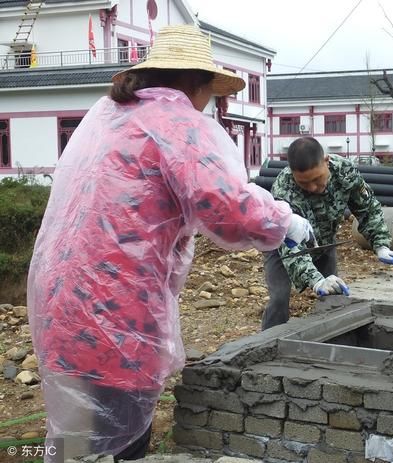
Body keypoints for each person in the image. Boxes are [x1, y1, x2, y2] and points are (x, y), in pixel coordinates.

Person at [27, 25, 314, 462]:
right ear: (196, 84)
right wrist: (284, 220)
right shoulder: (177, 124)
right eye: (211, 93)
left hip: (61, 298)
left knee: (79, 433)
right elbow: (227, 207)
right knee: (120, 436)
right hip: (117, 308)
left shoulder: (109, 114)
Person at [262, 137, 393, 330]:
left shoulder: (345, 172)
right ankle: (268, 341)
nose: (312, 187)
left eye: (317, 179)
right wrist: (316, 281)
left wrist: (381, 244)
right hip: (284, 247)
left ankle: (331, 337)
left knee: (334, 295)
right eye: (304, 183)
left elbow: (367, 208)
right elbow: (292, 248)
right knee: (279, 298)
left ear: (326, 161)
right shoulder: (284, 190)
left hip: (324, 242)